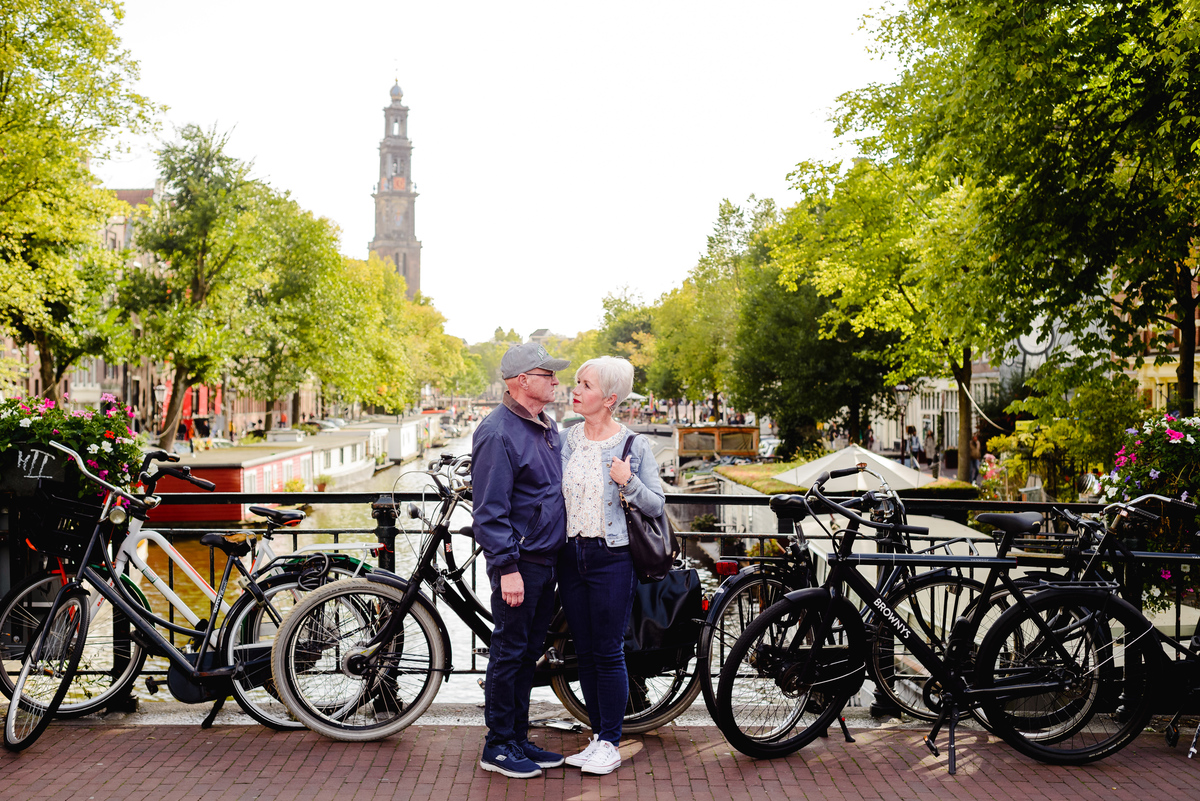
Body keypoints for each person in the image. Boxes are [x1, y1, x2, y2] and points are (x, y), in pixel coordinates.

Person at [558, 356, 665, 776]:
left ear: (610, 398)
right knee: (583, 652)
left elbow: (656, 504)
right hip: (571, 555)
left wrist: (629, 481)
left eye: (585, 384)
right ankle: (596, 736)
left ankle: (611, 741)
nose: (576, 390)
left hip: (612, 557)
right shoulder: (567, 440)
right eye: (577, 382)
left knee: (607, 651)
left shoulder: (633, 446)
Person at [471, 342, 571, 779]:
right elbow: (489, 510)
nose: (554, 380)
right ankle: (497, 745)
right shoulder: (497, 432)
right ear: (520, 381)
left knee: (528, 650)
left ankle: (516, 737)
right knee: (510, 650)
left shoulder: (544, 425)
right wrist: (507, 567)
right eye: (545, 373)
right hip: (521, 561)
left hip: (545, 558)